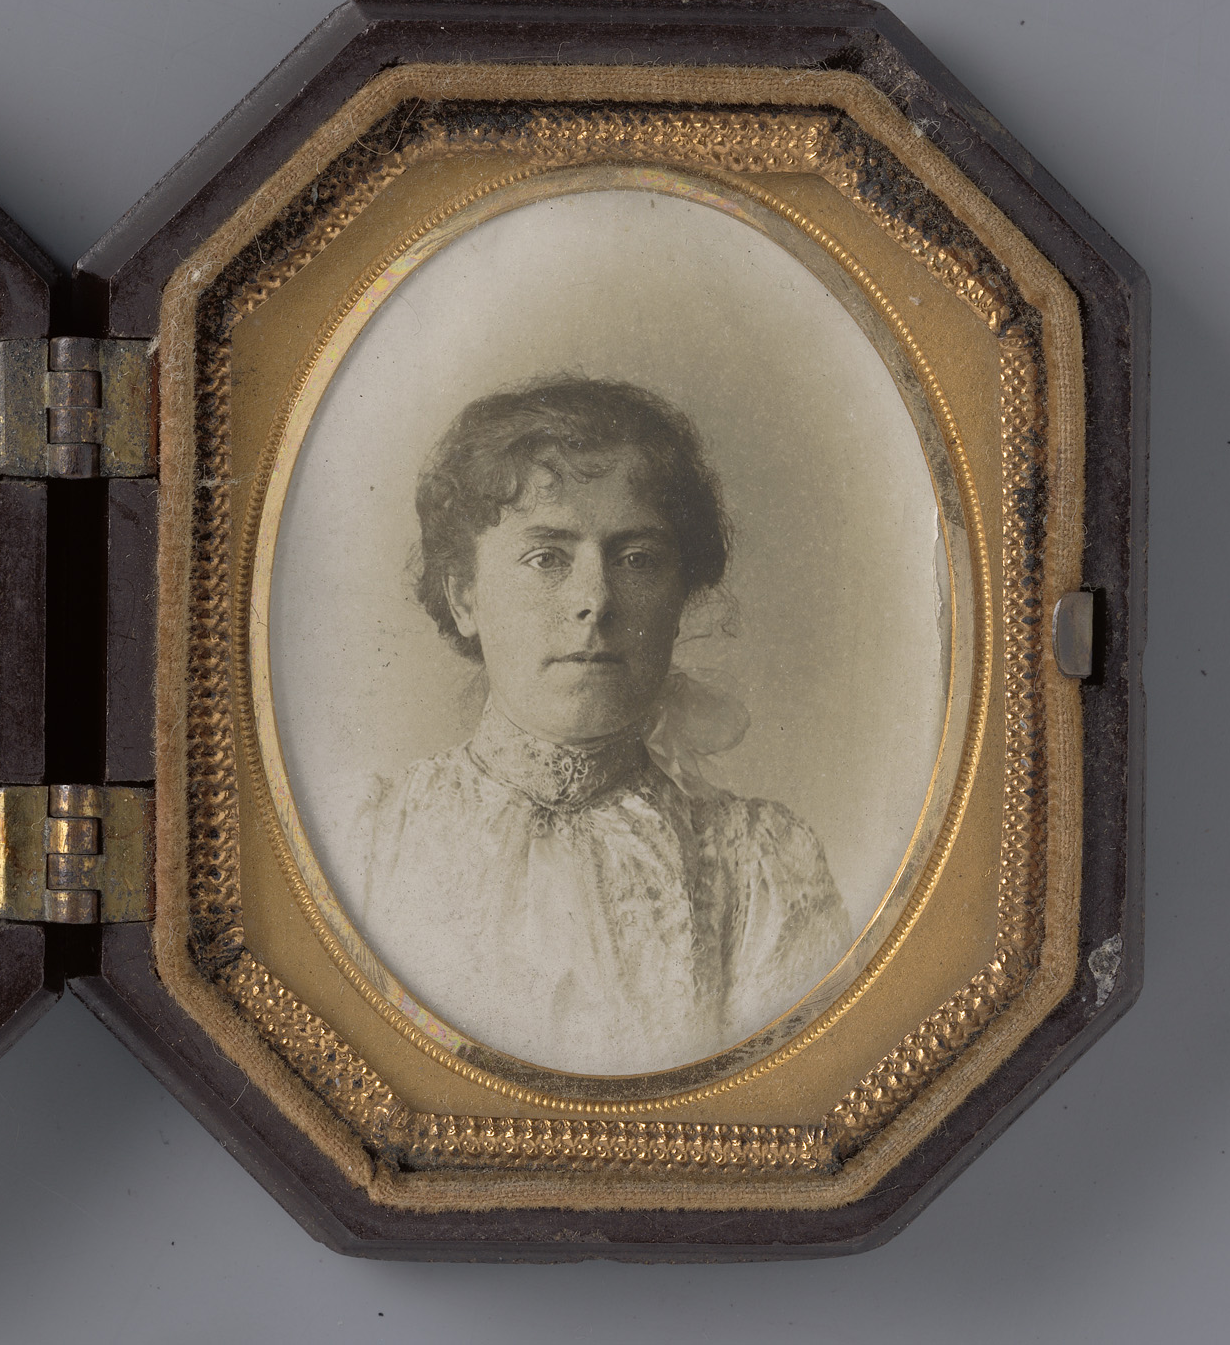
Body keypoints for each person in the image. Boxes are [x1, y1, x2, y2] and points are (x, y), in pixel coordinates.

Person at [342, 375, 851, 1077]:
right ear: (465, 599)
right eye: (547, 558)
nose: (596, 599)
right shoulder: (372, 839)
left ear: (679, 601)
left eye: (637, 559)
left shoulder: (757, 867)